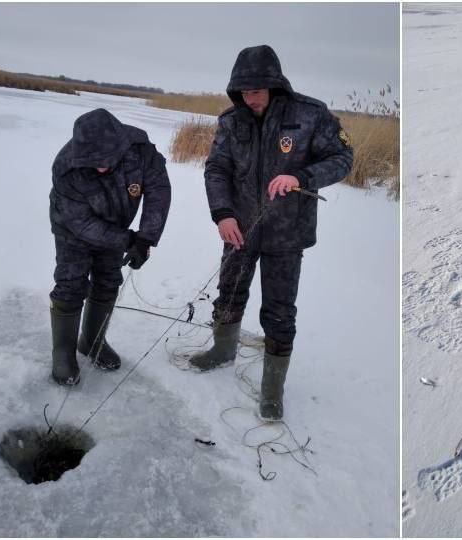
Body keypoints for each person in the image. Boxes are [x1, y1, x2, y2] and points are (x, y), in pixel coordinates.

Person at [190, 45, 353, 421]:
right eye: (244, 93)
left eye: (257, 91)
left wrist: (301, 176)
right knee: (229, 293)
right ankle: (222, 351)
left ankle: (272, 390)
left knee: (279, 311)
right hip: (239, 230)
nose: (251, 99)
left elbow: (343, 159)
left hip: (287, 235)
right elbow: (216, 169)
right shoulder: (231, 122)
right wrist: (222, 215)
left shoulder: (311, 115)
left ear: (275, 85)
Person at [49, 108, 171, 385]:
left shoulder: (140, 150)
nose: (100, 167)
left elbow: (159, 191)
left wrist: (146, 238)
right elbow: (81, 224)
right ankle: (63, 354)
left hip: (116, 224)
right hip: (72, 230)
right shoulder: (67, 167)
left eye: (105, 160)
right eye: (93, 161)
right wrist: (128, 240)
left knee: (108, 281)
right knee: (70, 284)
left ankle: (92, 341)